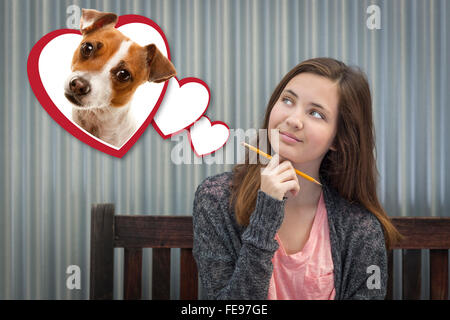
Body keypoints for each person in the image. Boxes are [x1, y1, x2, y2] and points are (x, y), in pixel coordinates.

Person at [192, 57, 402, 300]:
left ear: (338, 139)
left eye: (316, 113)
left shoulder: (361, 229)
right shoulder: (215, 199)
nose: (293, 119)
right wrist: (265, 214)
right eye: (288, 100)